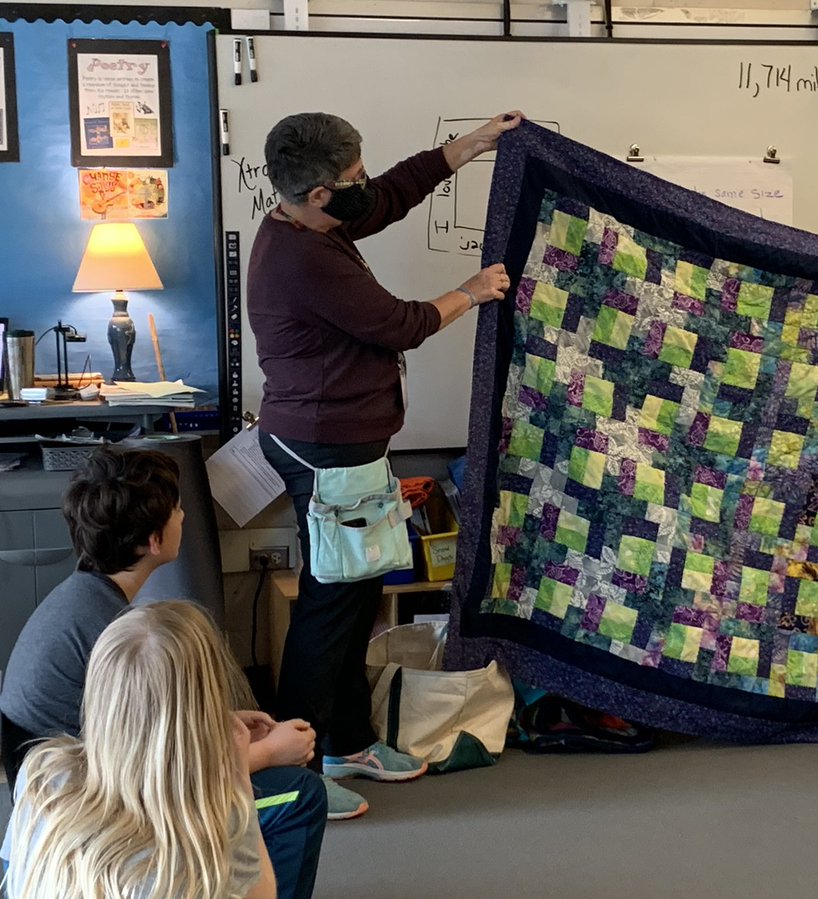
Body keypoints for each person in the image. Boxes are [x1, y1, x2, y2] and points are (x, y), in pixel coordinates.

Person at [248, 110, 522, 817]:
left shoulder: (312, 225)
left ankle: (348, 741)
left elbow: (389, 196)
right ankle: (290, 776)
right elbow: (402, 323)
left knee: (353, 596)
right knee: (331, 609)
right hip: (328, 449)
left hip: (334, 442)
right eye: (352, 179)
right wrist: (476, 289)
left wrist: (469, 145)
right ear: (316, 194)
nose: (365, 186)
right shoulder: (304, 258)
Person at [0, 447, 326, 897]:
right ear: (154, 541)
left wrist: (221, 726)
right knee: (302, 794)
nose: (184, 515)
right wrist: (266, 755)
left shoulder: (84, 599)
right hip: (96, 805)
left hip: (53, 802)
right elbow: (157, 772)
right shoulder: (114, 630)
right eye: (177, 508)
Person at [1, 601, 274, 898]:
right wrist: (238, 776)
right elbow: (265, 893)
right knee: (302, 794)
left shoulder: (41, 774)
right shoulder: (215, 821)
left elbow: (13, 868)